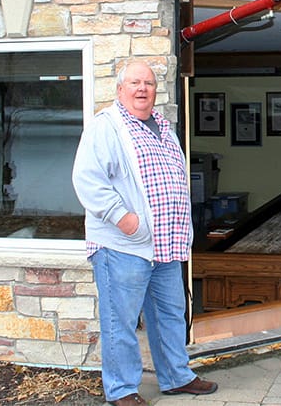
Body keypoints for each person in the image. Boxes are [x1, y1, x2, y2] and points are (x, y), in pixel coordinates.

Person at [73, 59, 218, 406]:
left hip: (166, 246)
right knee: (119, 322)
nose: (142, 89)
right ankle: (122, 390)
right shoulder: (106, 127)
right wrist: (123, 218)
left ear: (155, 91)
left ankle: (176, 377)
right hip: (123, 246)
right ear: (120, 90)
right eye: (135, 83)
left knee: (170, 315)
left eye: (149, 84)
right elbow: (87, 180)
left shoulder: (163, 128)